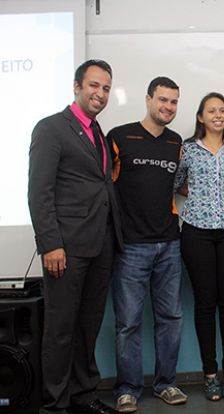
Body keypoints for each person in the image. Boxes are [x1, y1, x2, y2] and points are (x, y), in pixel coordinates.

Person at [28, 59, 123, 414]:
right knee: (60, 330)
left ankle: (84, 396)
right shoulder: (51, 128)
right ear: (77, 86)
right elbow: (39, 192)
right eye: (94, 85)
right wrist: (50, 244)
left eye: (106, 88)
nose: (100, 93)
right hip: (66, 248)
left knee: (88, 327)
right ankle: (55, 405)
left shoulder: (98, 132)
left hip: (101, 244)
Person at [108, 77, 187, 413]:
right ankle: (128, 389)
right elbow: (104, 186)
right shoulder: (120, 136)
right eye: (162, 100)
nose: (167, 107)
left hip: (169, 244)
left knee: (171, 318)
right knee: (128, 322)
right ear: (148, 99)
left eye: (173, 102)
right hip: (130, 247)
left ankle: (166, 384)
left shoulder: (176, 142)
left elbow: (179, 185)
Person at [175, 92, 224, 402]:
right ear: (201, 117)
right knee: (205, 304)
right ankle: (210, 375)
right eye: (211, 111)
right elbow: (174, 184)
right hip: (196, 234)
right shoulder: (188, 149)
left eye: (222, 110)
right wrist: (198, 195)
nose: (218, 115)